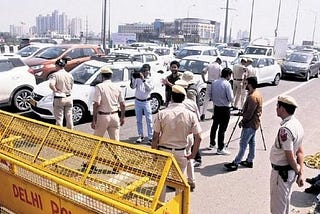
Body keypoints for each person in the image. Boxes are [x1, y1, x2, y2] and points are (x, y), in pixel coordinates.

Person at [151, 85, 202, 200]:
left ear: (171, 97)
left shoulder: (162, 113)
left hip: (164, 152)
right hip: (181, 152)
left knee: (162, 181)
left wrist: (154, 153)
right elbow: (198, 137)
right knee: (179, 181)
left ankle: (160, 207)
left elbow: (155, 137)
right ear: (183, 99)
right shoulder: (190, 115)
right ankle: (179, 208)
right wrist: (193, 155)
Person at [269, 95, 304, 214]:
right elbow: (300, 152)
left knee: (278, 209)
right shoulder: (297, 124)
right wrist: (299, 173)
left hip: (281, 174)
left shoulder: (285, 130)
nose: (276, 109)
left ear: (282, 109)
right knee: (284, 204)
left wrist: (298, 170)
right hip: (289, 173)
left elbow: (290, 156)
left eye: (277, 106)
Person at [224, 76, 263, 171]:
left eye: (246, 83)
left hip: (250, 124)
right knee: (251, 142)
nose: (245, 85)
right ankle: (249, 160)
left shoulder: (252, 97)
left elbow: (249, 114)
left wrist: (242, 121)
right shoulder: (257, 94)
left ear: (250, 84)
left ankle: (236, 163)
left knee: (243, 144)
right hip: (255, 123)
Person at [176, 71, 201, 191]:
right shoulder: (192, 103)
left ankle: (180, 183)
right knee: (189, 157)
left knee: (179, 161)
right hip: (190, 135)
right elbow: (198, 118)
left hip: (179, 136)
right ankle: (191, 181)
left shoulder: (175, 104)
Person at [91, 66, 125, 141]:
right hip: (115, 116)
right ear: (111, 76)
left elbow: (97, 104)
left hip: (103, 116)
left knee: (96, 141)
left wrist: (94, 119)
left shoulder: (99, 87)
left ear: (102, 76)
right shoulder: (117, 87)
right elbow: (122, 104)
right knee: (115, 142)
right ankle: (117, 153)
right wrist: (122, 117)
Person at [208, 67, 233, 155]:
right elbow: (230, 98)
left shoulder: (214, 82)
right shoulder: (227, 84)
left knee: (214, 126)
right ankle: (220, 147)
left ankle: (212, 143)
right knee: (222, 129)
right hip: (225, 108)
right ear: (228, 75)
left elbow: (210, 94)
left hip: (216, 107)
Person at [130, 64, 154, 144]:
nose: (144, 72)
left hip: (146, 101)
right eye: (143, 71)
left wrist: (144, 80)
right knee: (138, 120)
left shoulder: (150, 79)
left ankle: (150, 137)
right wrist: (133, 78)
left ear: (149, 71)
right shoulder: (138, 78)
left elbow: (149, 89)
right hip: (138, 101)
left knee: (149, 119)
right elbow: (133, 87)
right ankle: (140, 135)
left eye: (146, 71)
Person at [49, 58, 74, 129]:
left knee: (59, 118)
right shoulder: (69, 75)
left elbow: (51, 84)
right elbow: (71, 86)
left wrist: (56, 90)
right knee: (69, 117)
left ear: (57, 66)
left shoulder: (55, 75)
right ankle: (71, 133)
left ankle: (60, 134)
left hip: (60, 98)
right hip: (69, 97)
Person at [200, 57, 222, 121]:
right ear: (219, 60)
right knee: (215, 100)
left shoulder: (209, 65)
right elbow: (221, 76)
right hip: (216, 84)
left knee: (206, 99)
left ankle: (203, 113)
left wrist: (204, 80)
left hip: (209, 83)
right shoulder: (219, 67)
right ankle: (214, 114)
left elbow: (203, 72)